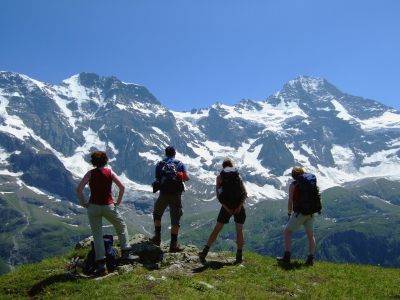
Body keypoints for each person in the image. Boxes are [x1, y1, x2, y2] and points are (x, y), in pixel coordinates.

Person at [76, 150, 137, 276]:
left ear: (93, 162)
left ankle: (101, 265)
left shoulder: (90, 174)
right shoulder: (109, 172)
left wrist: (84, 203)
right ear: (106, 161)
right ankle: (125, 252)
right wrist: (118, 201)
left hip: (93, 206)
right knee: (121, 226)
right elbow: (122, 187)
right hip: (108, 205)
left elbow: (79, 189)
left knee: (97, 234)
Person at [198, 158, 248, 263]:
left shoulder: (220, 177)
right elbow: (245, 193)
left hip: (227, 206)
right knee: (239, 230)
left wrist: (227, 208)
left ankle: (205, 251)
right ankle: (239, 255)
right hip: (238, 205)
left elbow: (218, 195)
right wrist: (240, 206)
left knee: (216, 229)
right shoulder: (238, 176)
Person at [149, 146, 190, 252]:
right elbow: (187, 178)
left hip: (163, 194)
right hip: (176, 195)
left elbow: (158, 179)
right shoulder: (179, 164)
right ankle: (174, 245)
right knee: (175, 220)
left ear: (166, 153)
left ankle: (157, 238)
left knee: (157, 214)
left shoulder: (160, 164)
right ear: (174, 153)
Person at [277, 166, 316, 265]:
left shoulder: (293, 185)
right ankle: (310, 259)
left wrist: (289, 214)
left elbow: (290, 202)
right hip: (311, 212)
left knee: (287, 232)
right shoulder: (310, 182)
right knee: (310, 236)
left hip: (300, 213)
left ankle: (287, 256)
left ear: (293, 176)